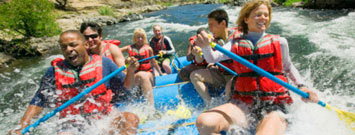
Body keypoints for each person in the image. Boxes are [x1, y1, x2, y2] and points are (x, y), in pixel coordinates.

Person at [195, 1, 320, 134]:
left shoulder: (280, 42)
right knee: (204, 123)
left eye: (266, 15)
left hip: (274, 106)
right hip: (244, 105)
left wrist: (302, 86)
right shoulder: (235, 44)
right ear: (246, 19)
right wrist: (206, 46)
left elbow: (288, 67)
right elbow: (212, 58)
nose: (263, 18)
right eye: (258, 15)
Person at [9, 30, 140, 135]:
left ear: (86, 45)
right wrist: (21, 127)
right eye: (64, 47)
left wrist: (131, 71)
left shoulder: (105, 63)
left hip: (104, 116)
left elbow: (126, 87)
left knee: (131, 119)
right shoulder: (53, 72)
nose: (68, 49)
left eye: (73, 45)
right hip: (72, 123)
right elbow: (38, 101)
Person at [189, 9, 240, 106]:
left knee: (229, 85)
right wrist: (197, 54)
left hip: (235, 75)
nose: (210, 29)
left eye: (212, 25)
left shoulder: (237, 38)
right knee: (194, 75)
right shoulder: (211, 39)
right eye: (209, 26)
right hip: (221, 73)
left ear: (223, 23)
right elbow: (201, 60)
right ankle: (209, 104)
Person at [121, 28, 162, 106]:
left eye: (142, 37)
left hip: (148, 74)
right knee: (138, 74)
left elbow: (153, 62)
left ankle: (150, 106)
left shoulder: (148, 49)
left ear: (144, 38)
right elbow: (117, 52)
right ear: (134, 38)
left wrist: (160, 73)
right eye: (138, 37)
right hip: (135, 75)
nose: (140, 39)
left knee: (142, 74)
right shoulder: (129, 48)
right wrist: (125, 61)